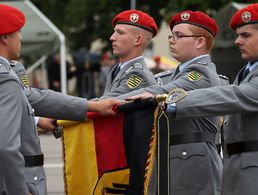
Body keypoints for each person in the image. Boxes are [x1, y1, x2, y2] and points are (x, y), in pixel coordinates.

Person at [0, 4, 119, 195]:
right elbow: (5, 148)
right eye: (18, 32)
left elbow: (32, 97)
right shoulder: (5, 76)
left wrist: (91, 106)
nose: (21, 38)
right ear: (5, 37)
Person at [117, 10, 223, 195]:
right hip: (173, 157)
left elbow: (161, 92)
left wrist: (102, 104)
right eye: (172, 35)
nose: (172, 40)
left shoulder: (200, 74)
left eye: (179, 36)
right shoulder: (176, 73)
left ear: (200, 42)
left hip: (192, 160)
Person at [163, 3, 258, 195]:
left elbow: (236, 95)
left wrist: (171, 101)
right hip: (237, 168)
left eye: (246, 35)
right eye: (238, 35)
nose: (237, 41)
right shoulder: (246, 72)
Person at [98, 9, 158, 99]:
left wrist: (70, 105)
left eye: (120, 32)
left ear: (137, 40)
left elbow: (105, 104)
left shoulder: (138, 75)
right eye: (114, 32)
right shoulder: (119, 68)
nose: (112, 37)